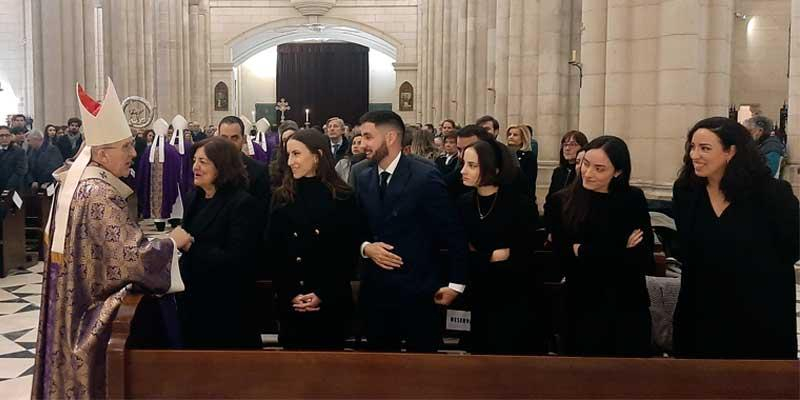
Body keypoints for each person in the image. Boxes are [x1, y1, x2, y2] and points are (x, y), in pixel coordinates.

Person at [32, 79, 188, 399]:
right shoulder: (99, 194)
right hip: (89, 314)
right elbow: (132, 260)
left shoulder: (76, 184)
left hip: (72, 304)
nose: (133, 153)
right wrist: (171, 242)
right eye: (126, 146)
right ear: (102, 154)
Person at [672, 117, 799, 359]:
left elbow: (792, 247)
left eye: (705, 148)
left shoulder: (772, 194)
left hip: (758, 311)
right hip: (701, 308)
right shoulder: (686, 191)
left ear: (731, 151)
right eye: (692, 147)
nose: (694, 155)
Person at [356, 110, 469, 352]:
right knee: (379, 370)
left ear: (391, 137)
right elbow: (357, 228)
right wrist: (367, 248)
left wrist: (456, 284)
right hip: (377, 292)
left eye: (368, 137)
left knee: (422, 374)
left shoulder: (424, 176)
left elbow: (452, 232)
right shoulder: (363, 176)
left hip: (419, 291)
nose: (363, 144)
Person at [548, 135, 653, 357]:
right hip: (581, 303)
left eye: (599, 169)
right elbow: (562, 258)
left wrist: (585, 251)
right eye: (585, 164)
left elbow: (642, 259)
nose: (588, 173)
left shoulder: (632, 199)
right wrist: (619, 248)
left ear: (618, 172)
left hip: (626, 305)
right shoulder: (562, 201)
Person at [270, 130, 360, 349]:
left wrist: (323, 294)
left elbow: (347, 254)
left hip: (330, 302)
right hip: (292, 302)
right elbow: (273, 249)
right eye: (288, 155)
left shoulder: (342, 196)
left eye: (296, 154)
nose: (290, 161)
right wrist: (290, 293)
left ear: (318, 155)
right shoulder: (282, 196)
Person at [175, 136, 260, 349]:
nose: (195, 167)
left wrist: (189, 245)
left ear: (222, 166)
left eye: (203, 162)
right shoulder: (194, 197)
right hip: (195, 299)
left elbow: (238, 259)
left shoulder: (241, 203)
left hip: (227, 305)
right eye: (195, 160)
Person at [457, 139, 540, 354]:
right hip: (477, 292)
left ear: (493, 169)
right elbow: (460, 251)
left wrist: (481, 256)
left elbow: (523, 255)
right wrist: (492, 256)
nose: (463, 171)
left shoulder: (520, 205)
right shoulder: (464, 203)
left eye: (472, 166)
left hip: (513, 295)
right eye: (463, 164)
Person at [218, 115, 272, 226]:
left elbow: (262, 213)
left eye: (234, 138)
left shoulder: (258, 170)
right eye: (224, 138)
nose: (229, 143)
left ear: (243, 139)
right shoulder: (209, 168)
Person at [547, 130, 588, 198]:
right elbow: (551, 197)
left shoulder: (584, 172)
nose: (567, 148)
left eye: (573, 144)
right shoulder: (558, 172)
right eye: (565, 145)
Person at [506, 125, 538, 196]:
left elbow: (529, 181)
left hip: (522, 196)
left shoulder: (529, 156)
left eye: (515, 135)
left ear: (523, 138)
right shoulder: (503, 153)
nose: (511, 137)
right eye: (509, 134)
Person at [0, 125, 28, 192]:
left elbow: (21, 171)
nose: (4, 138)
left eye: (7, 135)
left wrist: (8, 188)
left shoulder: (19, 152)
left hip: (12, 190)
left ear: (11, 137)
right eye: (1, 136)